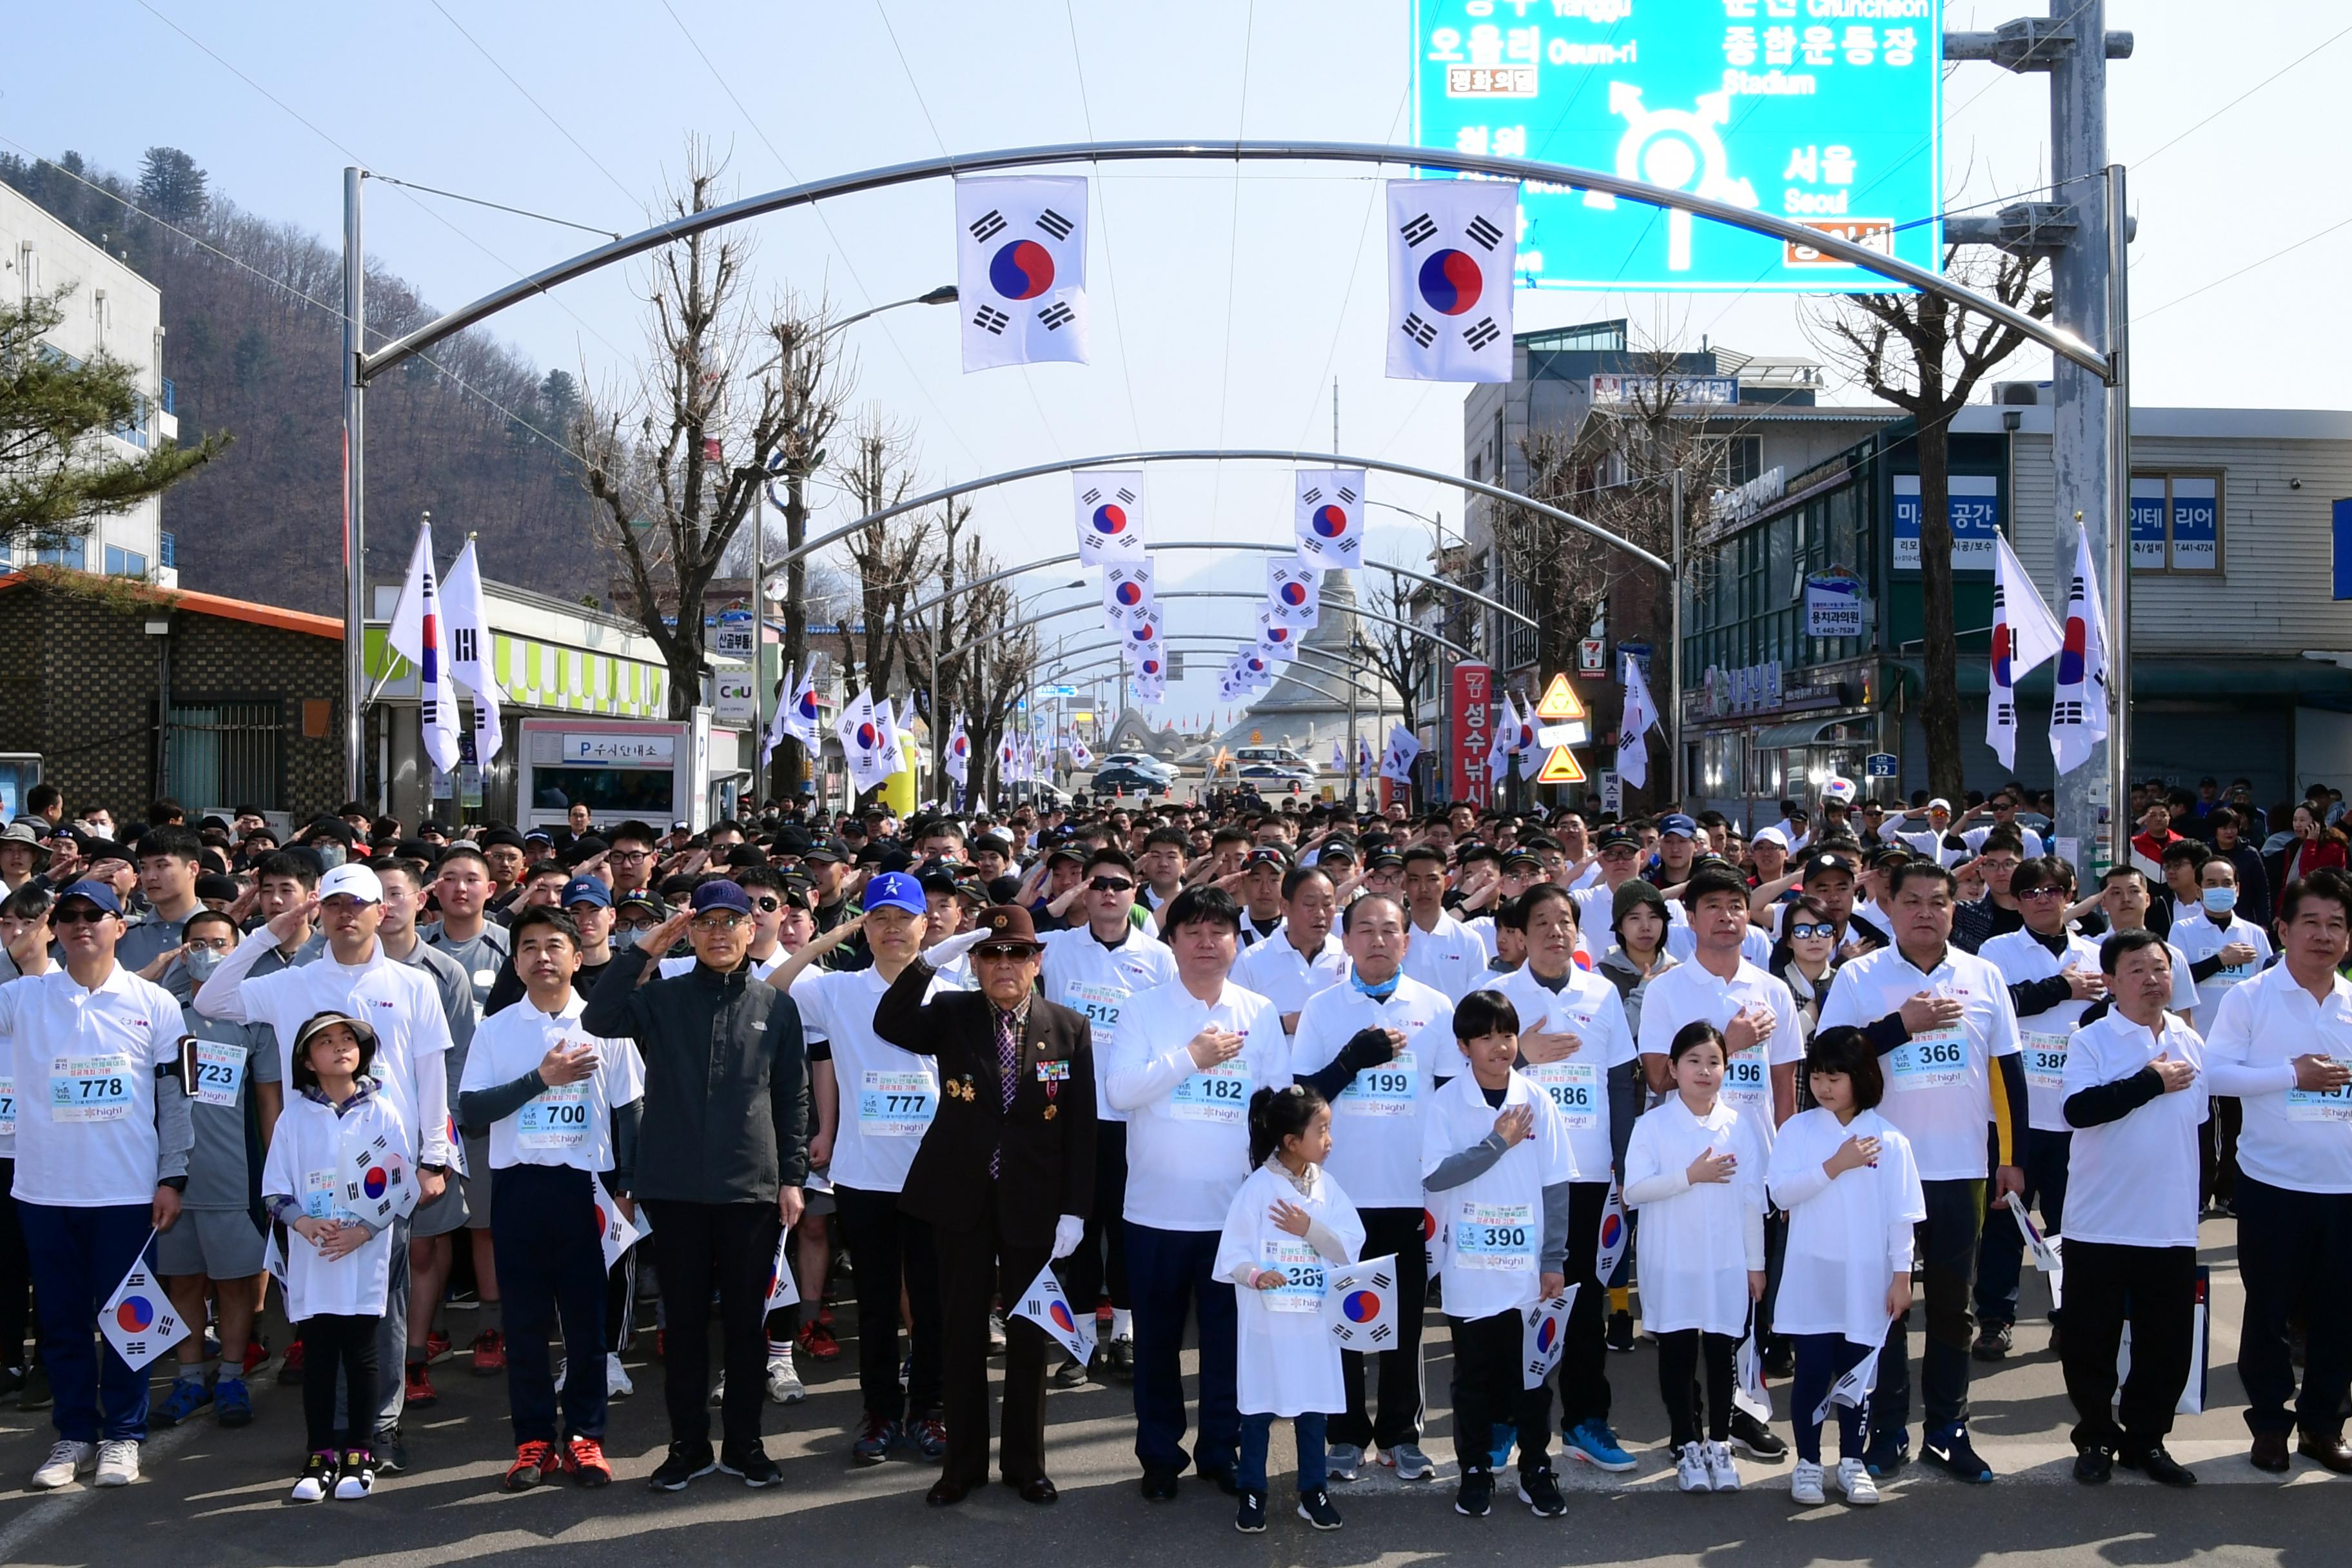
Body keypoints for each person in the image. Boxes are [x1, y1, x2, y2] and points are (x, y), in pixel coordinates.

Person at [196, 862, 456, 1470]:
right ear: (321, 911)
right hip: (311, 1172)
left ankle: (379, 1428)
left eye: (358, 904)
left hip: (382, 1172)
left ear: (381, 912)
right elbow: (210, 996)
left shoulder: (413, 984)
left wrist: (433, 1158)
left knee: (379, 1307)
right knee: (320, 1309)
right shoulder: (293, 982)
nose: (346, 915)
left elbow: (431, 1076)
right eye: (334, 904)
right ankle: (331, 1434)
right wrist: (266, 931)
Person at [582, 881, 809, 1492]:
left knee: (744, 1323)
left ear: (749, 931)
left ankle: (745, 1443)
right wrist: (647, 947)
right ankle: (687, 1445)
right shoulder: (663, 997)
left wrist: (793, 1178)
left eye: (729, 922)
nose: (717, 933)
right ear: (691, 932)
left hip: (751, 1191)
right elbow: (598, 1016)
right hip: (674, 1186)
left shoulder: (774, 1005)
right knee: (682, 1325)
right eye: (704, 923)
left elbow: (792, 1097)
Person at [873, 903, 1095, 1507]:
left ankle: (1027, 1466)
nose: (1004, 964)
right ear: (974, 962)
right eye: (992, 954)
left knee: (1028, 1339)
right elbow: (890, 1023)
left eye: (1017, 953)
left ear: (1036, 961)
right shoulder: (950, 1012)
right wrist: (927, 963)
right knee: (960, 1335)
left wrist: (1076, 1210)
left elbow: (1079, 1129)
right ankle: (961, 1466)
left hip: (1034, 1205)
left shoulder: (1070, 1027)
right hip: (960, 1201)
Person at [1816, 859, 2027, 1483]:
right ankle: (1886, 1433)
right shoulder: (1859, 975)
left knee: (1954, 1309)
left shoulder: (1984, 975)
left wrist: (2012, 1161)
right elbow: (1830, 1064)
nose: (1926, 912)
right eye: (1912, 901)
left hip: (1961, 1170)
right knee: (1888, 1309)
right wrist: (1898, 1027)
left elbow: (2008, 1076)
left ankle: (1948, 1429)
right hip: (1881, 1172)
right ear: (1889, 906)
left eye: (1939, 901)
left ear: (1954, 908)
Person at [2, 879, 193, 1492]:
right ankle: (75, 1434)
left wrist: (172, 1176)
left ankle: (124, 1436)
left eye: (96, 915)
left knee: (129, 1319)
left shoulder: (154, 1002)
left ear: (120, 925)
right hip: (43, 1191)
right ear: (51, 928)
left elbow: (174, 1095)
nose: (82, 924)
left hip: (127, 1194)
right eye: (69, 915)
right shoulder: (23, 998)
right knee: (59, 1321)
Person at [760, 870, 953, 1465]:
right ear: (863, 927)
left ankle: (930, 1411)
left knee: (932, 1303)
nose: (893, 929)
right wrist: (826, 940)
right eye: (879, 919)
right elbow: (771, 988)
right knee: (873, 1303)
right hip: (866, 1177)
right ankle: (879, 1413)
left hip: (938, 1175)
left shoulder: (954, 987)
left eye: (904, 918)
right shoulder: (837, 990)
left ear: (928, 924)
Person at [1106, 885, 1292, 1502]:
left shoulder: (1258, 1012)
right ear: (1173, 940)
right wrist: (1192, 1057)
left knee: (1227, 1346)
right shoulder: (1142, 1009)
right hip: (1154, 1214)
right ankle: (1159, 1456)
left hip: (1233, 1215)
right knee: (1156, 1346)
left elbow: (1274, 1108)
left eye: (1219, 932)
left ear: (1237, 943)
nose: (1206, 943)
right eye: (1193, 932)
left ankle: (1220, 1450)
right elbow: (1121, 1092)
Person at [457, 906, 644, 1492]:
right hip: (519, 1188)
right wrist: (542, 1078)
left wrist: (627, 1190)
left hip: (586, 1188)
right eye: (530, 946)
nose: (543, 956)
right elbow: (472, 1113)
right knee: (526, 1324)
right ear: (516, 960)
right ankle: (532, 1441)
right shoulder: (496, 1028)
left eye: (555, 945)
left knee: (588, 1326)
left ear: (578, 954)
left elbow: (629, 1110)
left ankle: (587, 1438)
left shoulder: (605, 1021)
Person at [1289, 893, 1454, 1483]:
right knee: (1342, 1319)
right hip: (1339, 1192)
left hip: (1409, 1192)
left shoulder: (1436, 1007)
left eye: (1391, 930)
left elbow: (1452, 1102)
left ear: (1407, 942)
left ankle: (1401, 1435)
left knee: (1406, 1322)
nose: (1379, 940)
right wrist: (1349, 1063)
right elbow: (1300, 1100)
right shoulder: (1322, 1007)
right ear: (1347, 939)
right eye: (1366, 930)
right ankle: (1345, 1432)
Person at [2201, 871, 2352, 1475]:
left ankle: (2324, 1426)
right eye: (2310, 923)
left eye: (2336, 925)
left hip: (2344, 1189)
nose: (2323, 935)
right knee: (2267, 1312)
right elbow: (2215, 1075)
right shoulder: (2251, 998)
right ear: (2282, 930)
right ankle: (2269, 1424)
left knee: (2339, 1316)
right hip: (2272, 1187)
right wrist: (2291, 1074)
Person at [1492, 883, 1641, 1473]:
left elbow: (1622, 1085)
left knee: (1581, 1304)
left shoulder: (1602, 993)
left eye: (1566, 921)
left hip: (1585, 1176)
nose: (1556, 930)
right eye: (1542, 921)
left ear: (1580, 933)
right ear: (1519, 935)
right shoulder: (1498, 996)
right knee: (1512, 1303)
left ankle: (1585, 1422)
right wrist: (1521, 1053)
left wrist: (1624, 1166)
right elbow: (1464, 1082)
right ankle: (1507, 1421)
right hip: (1514, 1175)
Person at [2057, 930, 2206, 1488]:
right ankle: (2095, 1435)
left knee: (2165, 1343)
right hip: (2100, 1220)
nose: (2152, 979)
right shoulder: (2092, 1039)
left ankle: (2147, 1439)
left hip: (2168, 1223)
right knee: (2089, 1339)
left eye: (2161, 968)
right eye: (2138, 970)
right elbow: (2078, 1109)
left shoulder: (2190, 1040)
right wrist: (2149, 1081)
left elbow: (2197, 1128)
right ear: (2114, 980)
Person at [1420, 988, 1576, 1518]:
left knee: (1532, 1378)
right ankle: (1475, 1469)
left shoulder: (1537, 1099)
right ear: (1463, 1046)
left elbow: (1557, 1186)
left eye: (1507, 1034)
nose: (1500, 1046)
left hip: (1525, 1272)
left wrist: (1553, 1260)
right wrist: (1497, 1143)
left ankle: (1536, 1467)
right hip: (1469, 1270)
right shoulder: (1445, 1103)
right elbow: (1437, 1174)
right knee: (1473, 1379)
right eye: (1485, 1037)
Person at [1767, 1026, 1925, 1508]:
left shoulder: (1890, 1139)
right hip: (1812, 1277)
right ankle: (1809, 1464)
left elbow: (1902, 1216)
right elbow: (1780, 1193)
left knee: (1860, 1375)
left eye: (1836, 1076)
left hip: (1866, 1280)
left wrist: (1901, 1277)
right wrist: (1834, 1165)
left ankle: (1852, 1462)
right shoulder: (1797, 1130)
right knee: (1812, 1371)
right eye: (1817, 1076)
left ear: (1861, 1076)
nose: (1825, 1086)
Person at [1037, 847, 1177, 1384]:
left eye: (1120, 884)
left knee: (1125, 1232)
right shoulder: (1056, 949)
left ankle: (1123, 1333)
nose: (1109, 893)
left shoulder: (1158, 958)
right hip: (1072, 1115)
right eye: (1098, 884)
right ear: (1085, 893)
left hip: (1135, 1117)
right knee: (1076, 1230)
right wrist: (1055, 904)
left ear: (1134, 891)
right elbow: (994, 933)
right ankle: (1077, 1343)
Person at [261, 1012, 411, 1502]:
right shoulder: (294, 1116)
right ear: (307, 1059)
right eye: (326, 1042)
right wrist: (303, 1223)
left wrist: (364, 1232)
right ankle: (319, 1451)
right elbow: (275, 1191)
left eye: (349, 1039)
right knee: (320, 1354)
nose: (341, 1047)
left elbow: (398, 1186)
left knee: (364, 1353)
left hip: (363, 1252)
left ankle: (360, 1450)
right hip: (315, 1250)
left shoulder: (382, 1111)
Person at [1624, 1020, 1770, 1494]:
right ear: (1672, 1068)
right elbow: (1635, 1190)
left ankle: (1721, 1442)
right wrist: (1690, 1175)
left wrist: (1755, 1264)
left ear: (1726, 1069)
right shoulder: (1653, 1125)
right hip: (1672, 1258)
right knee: (1679, 1350)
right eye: (1693, 1061)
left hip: (1725, 1260)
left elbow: (1751, 1199)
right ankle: (1686, 1441)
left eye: (1714, 1062)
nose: (1704, 1071)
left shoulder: (1739, 1126)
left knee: (1722, 1349)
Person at [1970, 858, 2106, 1360]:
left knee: (2071, 1224)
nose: (2042, 899)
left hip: (2075, 1117)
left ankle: (2068, 1318)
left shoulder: (2095, 953)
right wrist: (2061, 988)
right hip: (2013, 1116)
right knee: (2006, 1221)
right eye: (2030, 892)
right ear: (2016, 899)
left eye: (2053, 890)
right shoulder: (1996, 951)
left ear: (2071, 893)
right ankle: (1994, 1318)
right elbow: (1998, 1007)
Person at [150, 908, 275, 1431]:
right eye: (197, 942)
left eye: (219, 942)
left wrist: (275, 1169)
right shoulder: (164, 1013)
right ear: (183, 951)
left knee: (234, 1284)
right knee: (182, 1282)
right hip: (173, 1180)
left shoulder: (251, 1018)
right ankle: (189, 1376)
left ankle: (229, 1376)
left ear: (238, 948)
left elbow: (268, 1100)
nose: (208, 951)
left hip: (233, 1176)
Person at [1218, 1084, 1362, 1534]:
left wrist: (1310, 1229)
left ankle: (1312, 1490)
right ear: (1291, 1141)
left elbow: (1350, 1246)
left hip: (1313, 1324)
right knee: (1259, 1408)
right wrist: (1258, 1275)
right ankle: (1253, 1490)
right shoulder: (1258, 1189)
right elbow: (1233, 1255)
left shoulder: (1328, 1188)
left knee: (1313, 1407)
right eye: (1321, 1130)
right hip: (1268, 1324)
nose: (1329, 1139)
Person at [427, 848, 511, 1374]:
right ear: (434, 890)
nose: (461, 888)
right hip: (425, 1106)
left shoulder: (509, 949)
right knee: (428, 1230)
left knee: (484, 1226)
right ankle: (427, 1326)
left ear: (491, 889)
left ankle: (490, 1325)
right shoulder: (411, 949)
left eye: (472, 879)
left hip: (485, 1108)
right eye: (450, 879)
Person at [1231, 865, 1349, 1038]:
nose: (1321, 914)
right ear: (1285, 906)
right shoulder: (1252, 960)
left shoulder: (1348, 955)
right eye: (1309, 904)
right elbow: (1234, 1026)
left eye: (1327, 904)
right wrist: (1285, 1024)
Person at [1398, 845, 1491, 1003]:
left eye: (1432, 879)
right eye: (1414, 880)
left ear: (1447, 882)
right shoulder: (1391, 937)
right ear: (1403, 884)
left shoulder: (1469, 940)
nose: (1423, 888)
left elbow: (1478, 1001)